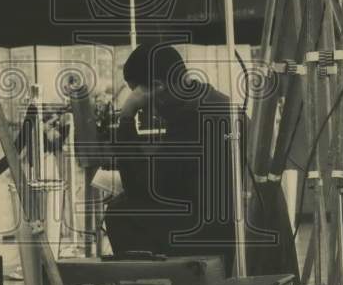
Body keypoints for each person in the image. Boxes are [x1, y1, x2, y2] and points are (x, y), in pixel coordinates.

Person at [103, 43, 240, 272]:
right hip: (232, 219)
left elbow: (142, 189)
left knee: (121, 211)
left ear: (158, 87)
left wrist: (127, 119)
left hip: (218, 230)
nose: (150, 112)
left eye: (144, 103)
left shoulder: (192, 118)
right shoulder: (213, 100)